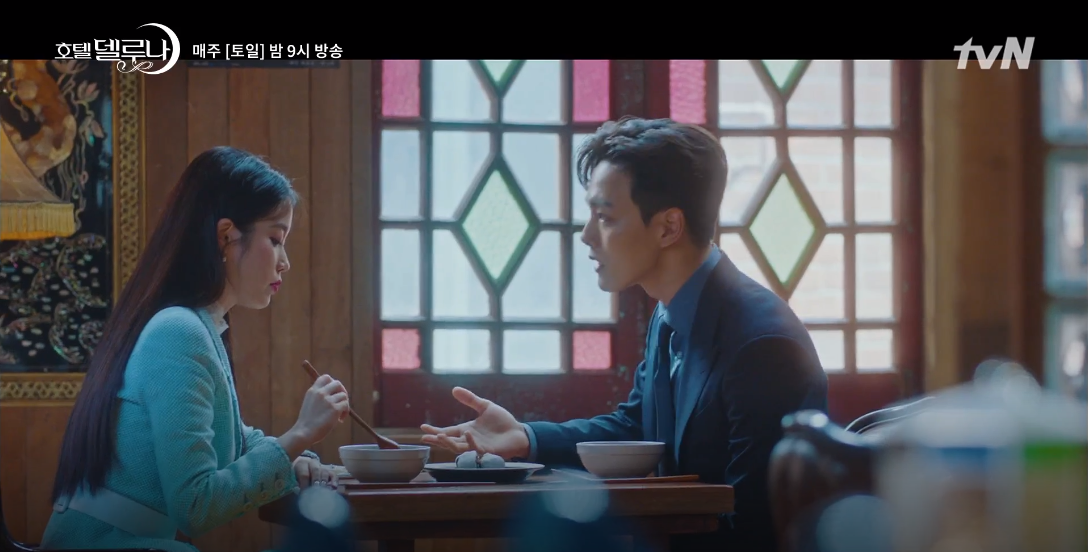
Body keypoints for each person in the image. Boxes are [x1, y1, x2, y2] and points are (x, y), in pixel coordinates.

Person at [421, 117, 828, 551]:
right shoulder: (672, 312)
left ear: (668, 227)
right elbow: (637, 427)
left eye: (604, 217)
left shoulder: (762, 345)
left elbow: (754, 527)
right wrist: (526, 437)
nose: (586, 235)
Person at [42, 147, 351, 552]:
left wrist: (292, 459)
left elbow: (233, 438)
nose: (284, 262)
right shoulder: (179, 330)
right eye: (276, 239)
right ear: (226, 236)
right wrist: (300, 433)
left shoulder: (198, 326)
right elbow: (195, 506)